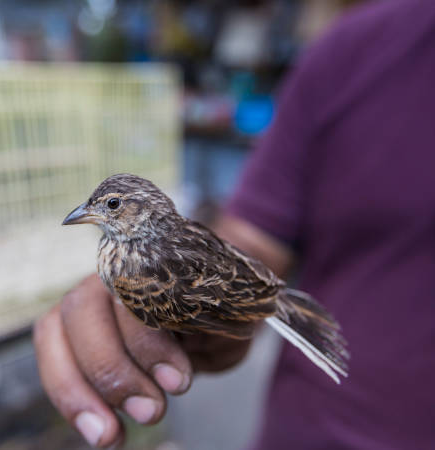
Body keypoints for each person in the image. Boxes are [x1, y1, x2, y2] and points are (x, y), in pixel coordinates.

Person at [34, 0, 435, 448]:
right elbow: (246, 242)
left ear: (141, 212)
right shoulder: (355, 49)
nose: (92, 214)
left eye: (110, 205)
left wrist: (252, 309)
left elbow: (221, 286)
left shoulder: (135, 277)